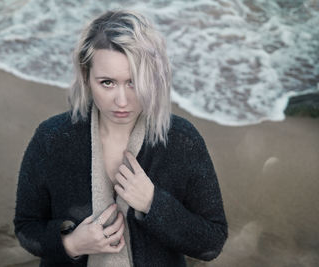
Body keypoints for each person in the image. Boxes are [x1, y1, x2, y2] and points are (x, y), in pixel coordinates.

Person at [13, 9, 227, 267]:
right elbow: (26, 226)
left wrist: (153, 204)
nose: (122, 101)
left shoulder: (182, 141)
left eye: (133, 82)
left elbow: (212, 242)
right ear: (86, 76)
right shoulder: (52, 138)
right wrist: (72, 244)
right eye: (107, 83)